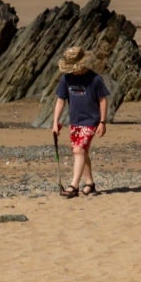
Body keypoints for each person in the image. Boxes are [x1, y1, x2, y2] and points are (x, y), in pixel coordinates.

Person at [49, 45, 110, 197]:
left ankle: (73, 186)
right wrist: (55, 122)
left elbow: (103, 100)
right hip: (75, 121)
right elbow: (60, 101)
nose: (72, 70)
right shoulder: (66, 78)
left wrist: (102, 122)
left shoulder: (95, 79)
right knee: (83, 152)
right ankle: (90, 183)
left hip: (91, 121)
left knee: (78, 150)